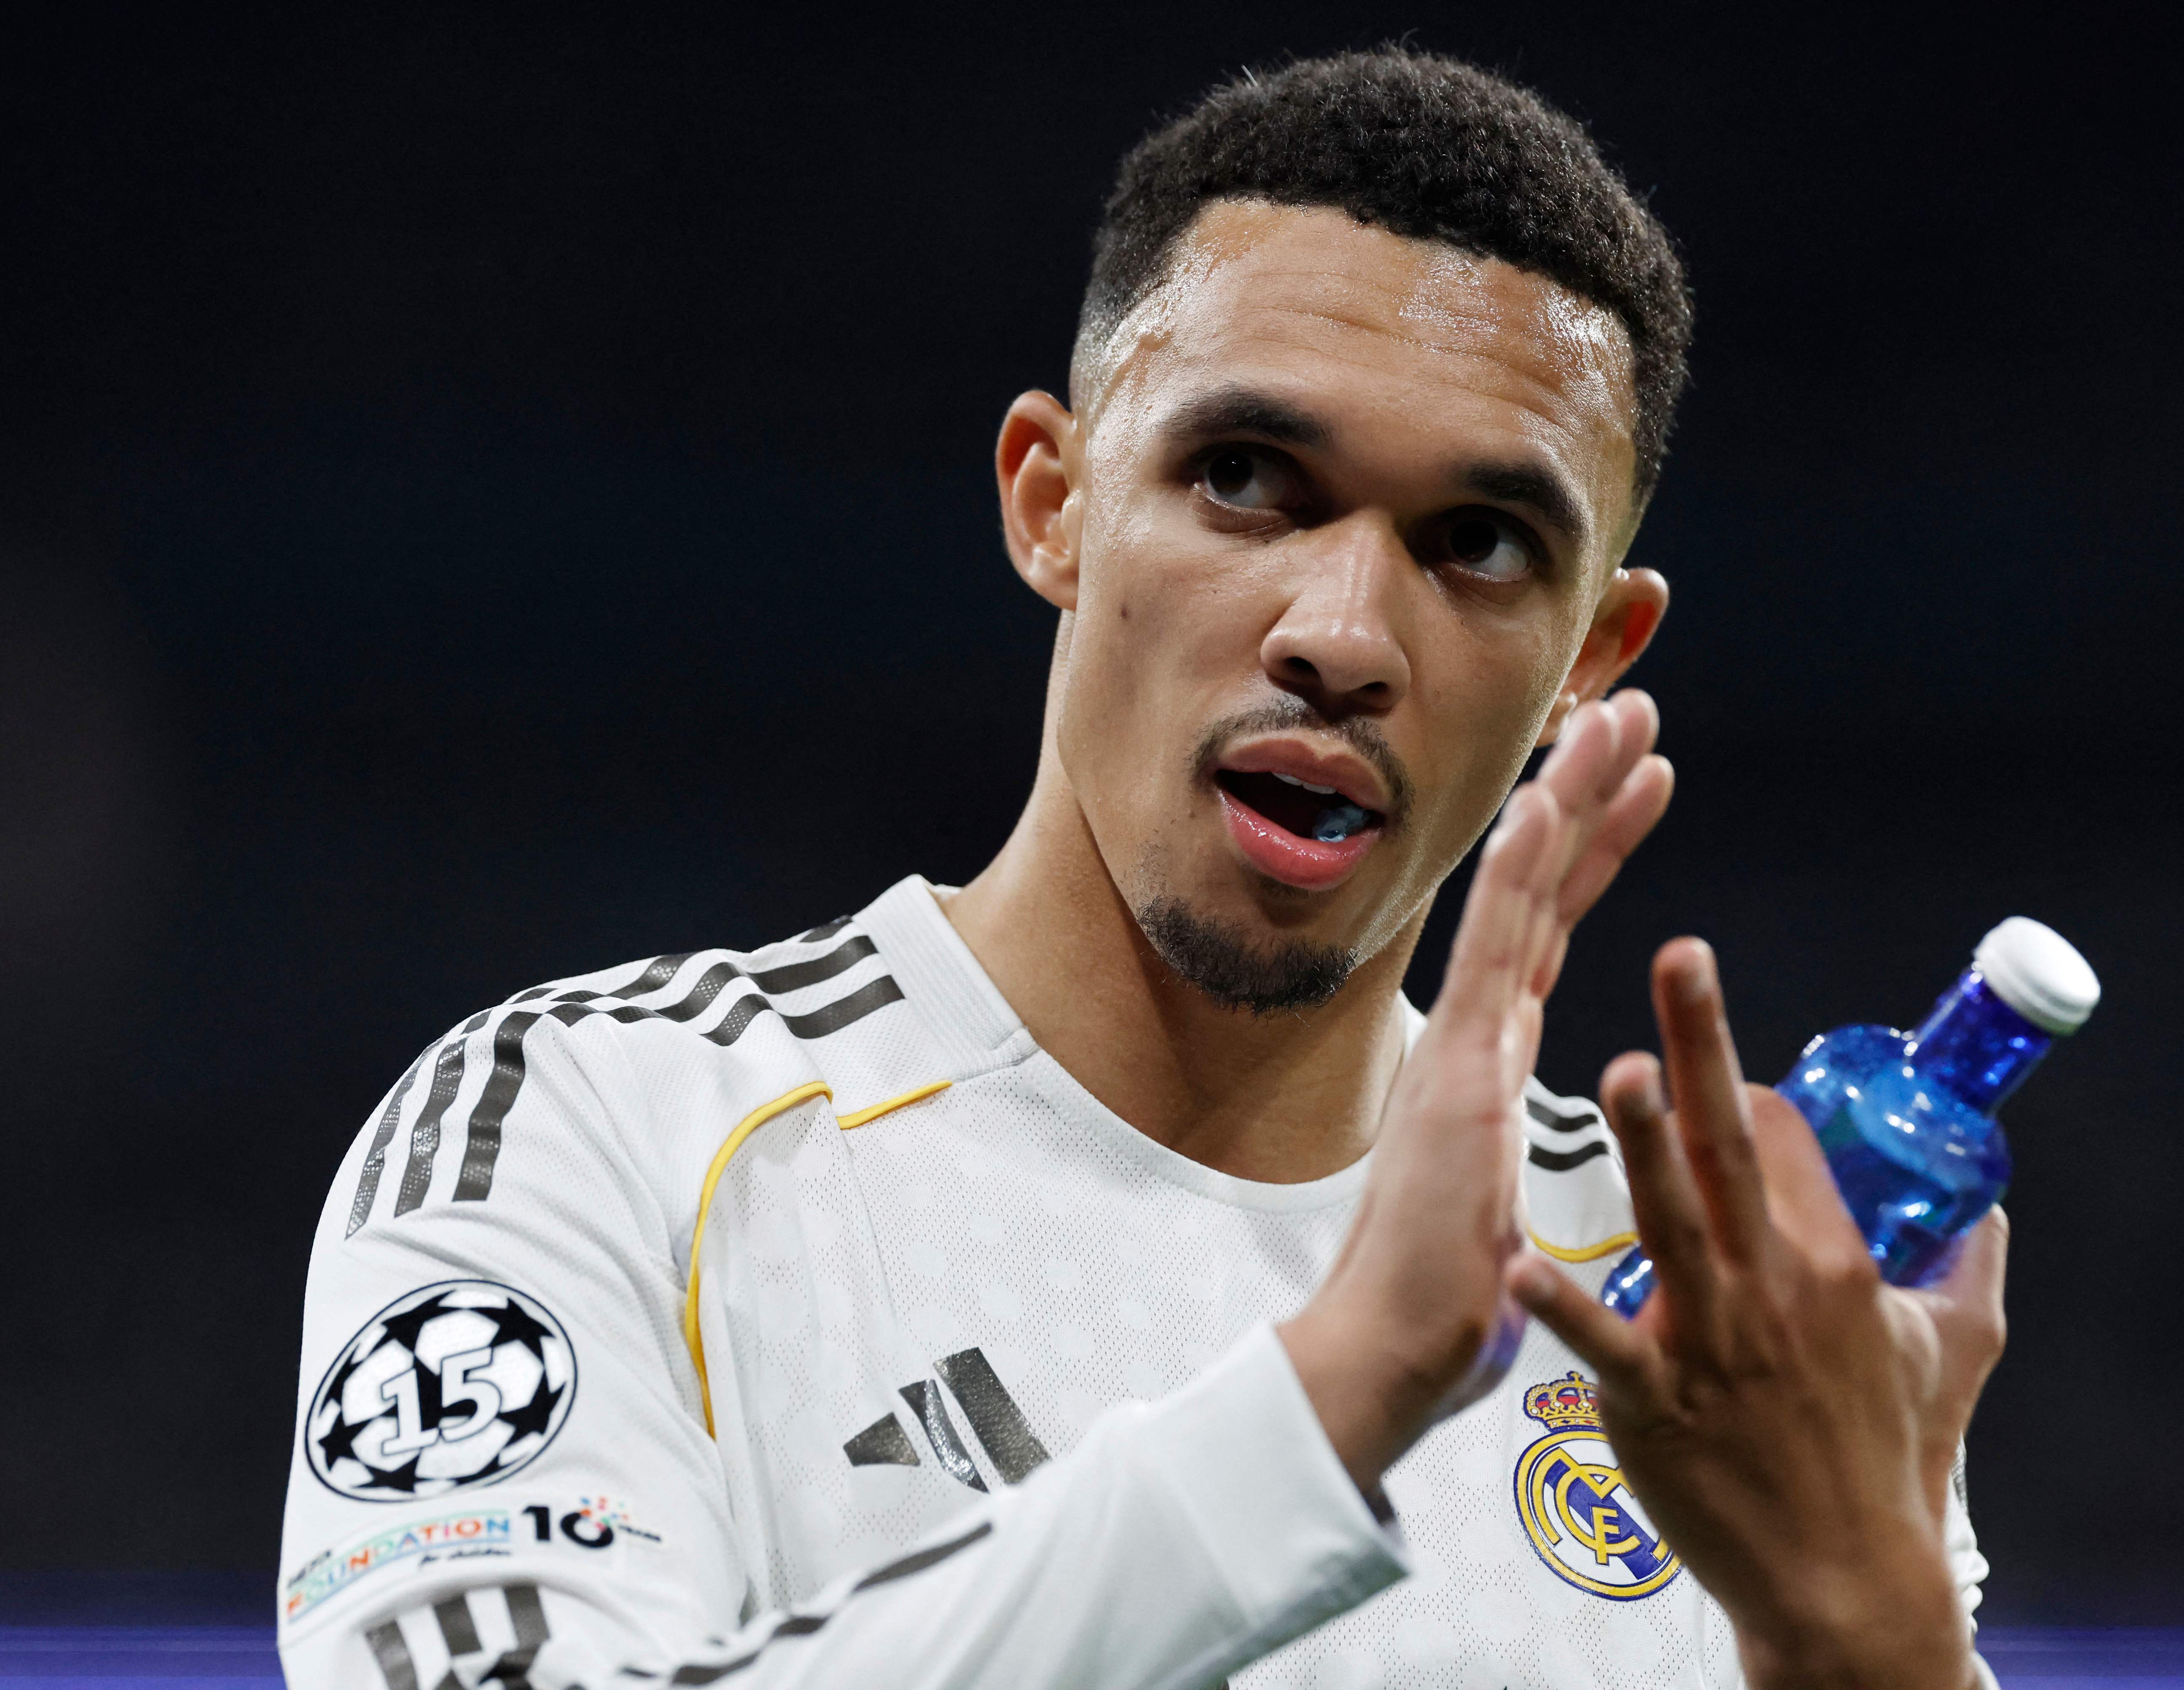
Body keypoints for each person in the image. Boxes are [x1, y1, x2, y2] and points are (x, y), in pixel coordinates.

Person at [278, 48, 2007, 1690]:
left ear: (1590, 660)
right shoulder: (600, 1133)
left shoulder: (1715, 1312)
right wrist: (1334, 1394)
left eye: (1477, 544)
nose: (1340, 634)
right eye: (1246, 479)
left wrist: (1879, 1653)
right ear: (1056, 500)